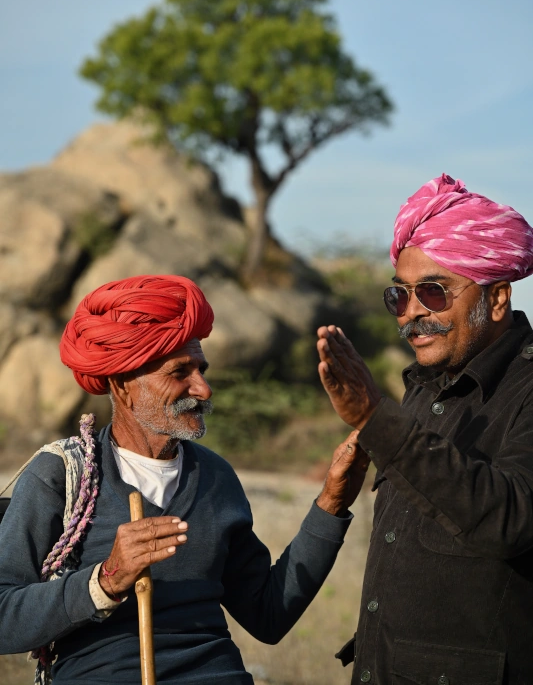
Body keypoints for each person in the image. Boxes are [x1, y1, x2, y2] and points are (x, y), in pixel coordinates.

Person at [0, 274, 367, 685]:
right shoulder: (62, 474)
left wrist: (331, 504)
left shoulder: (215, 477)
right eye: (180, 372)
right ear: (122, 385)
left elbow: (269, 615)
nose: (203, 389)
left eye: (202, 370)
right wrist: (105, 580)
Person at [317, 174, 533, 685]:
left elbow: (512, 518)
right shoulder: (423, 387)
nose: (411, 313)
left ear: (496, 299)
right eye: (400, 295)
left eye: (433, 293)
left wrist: (377, 420)